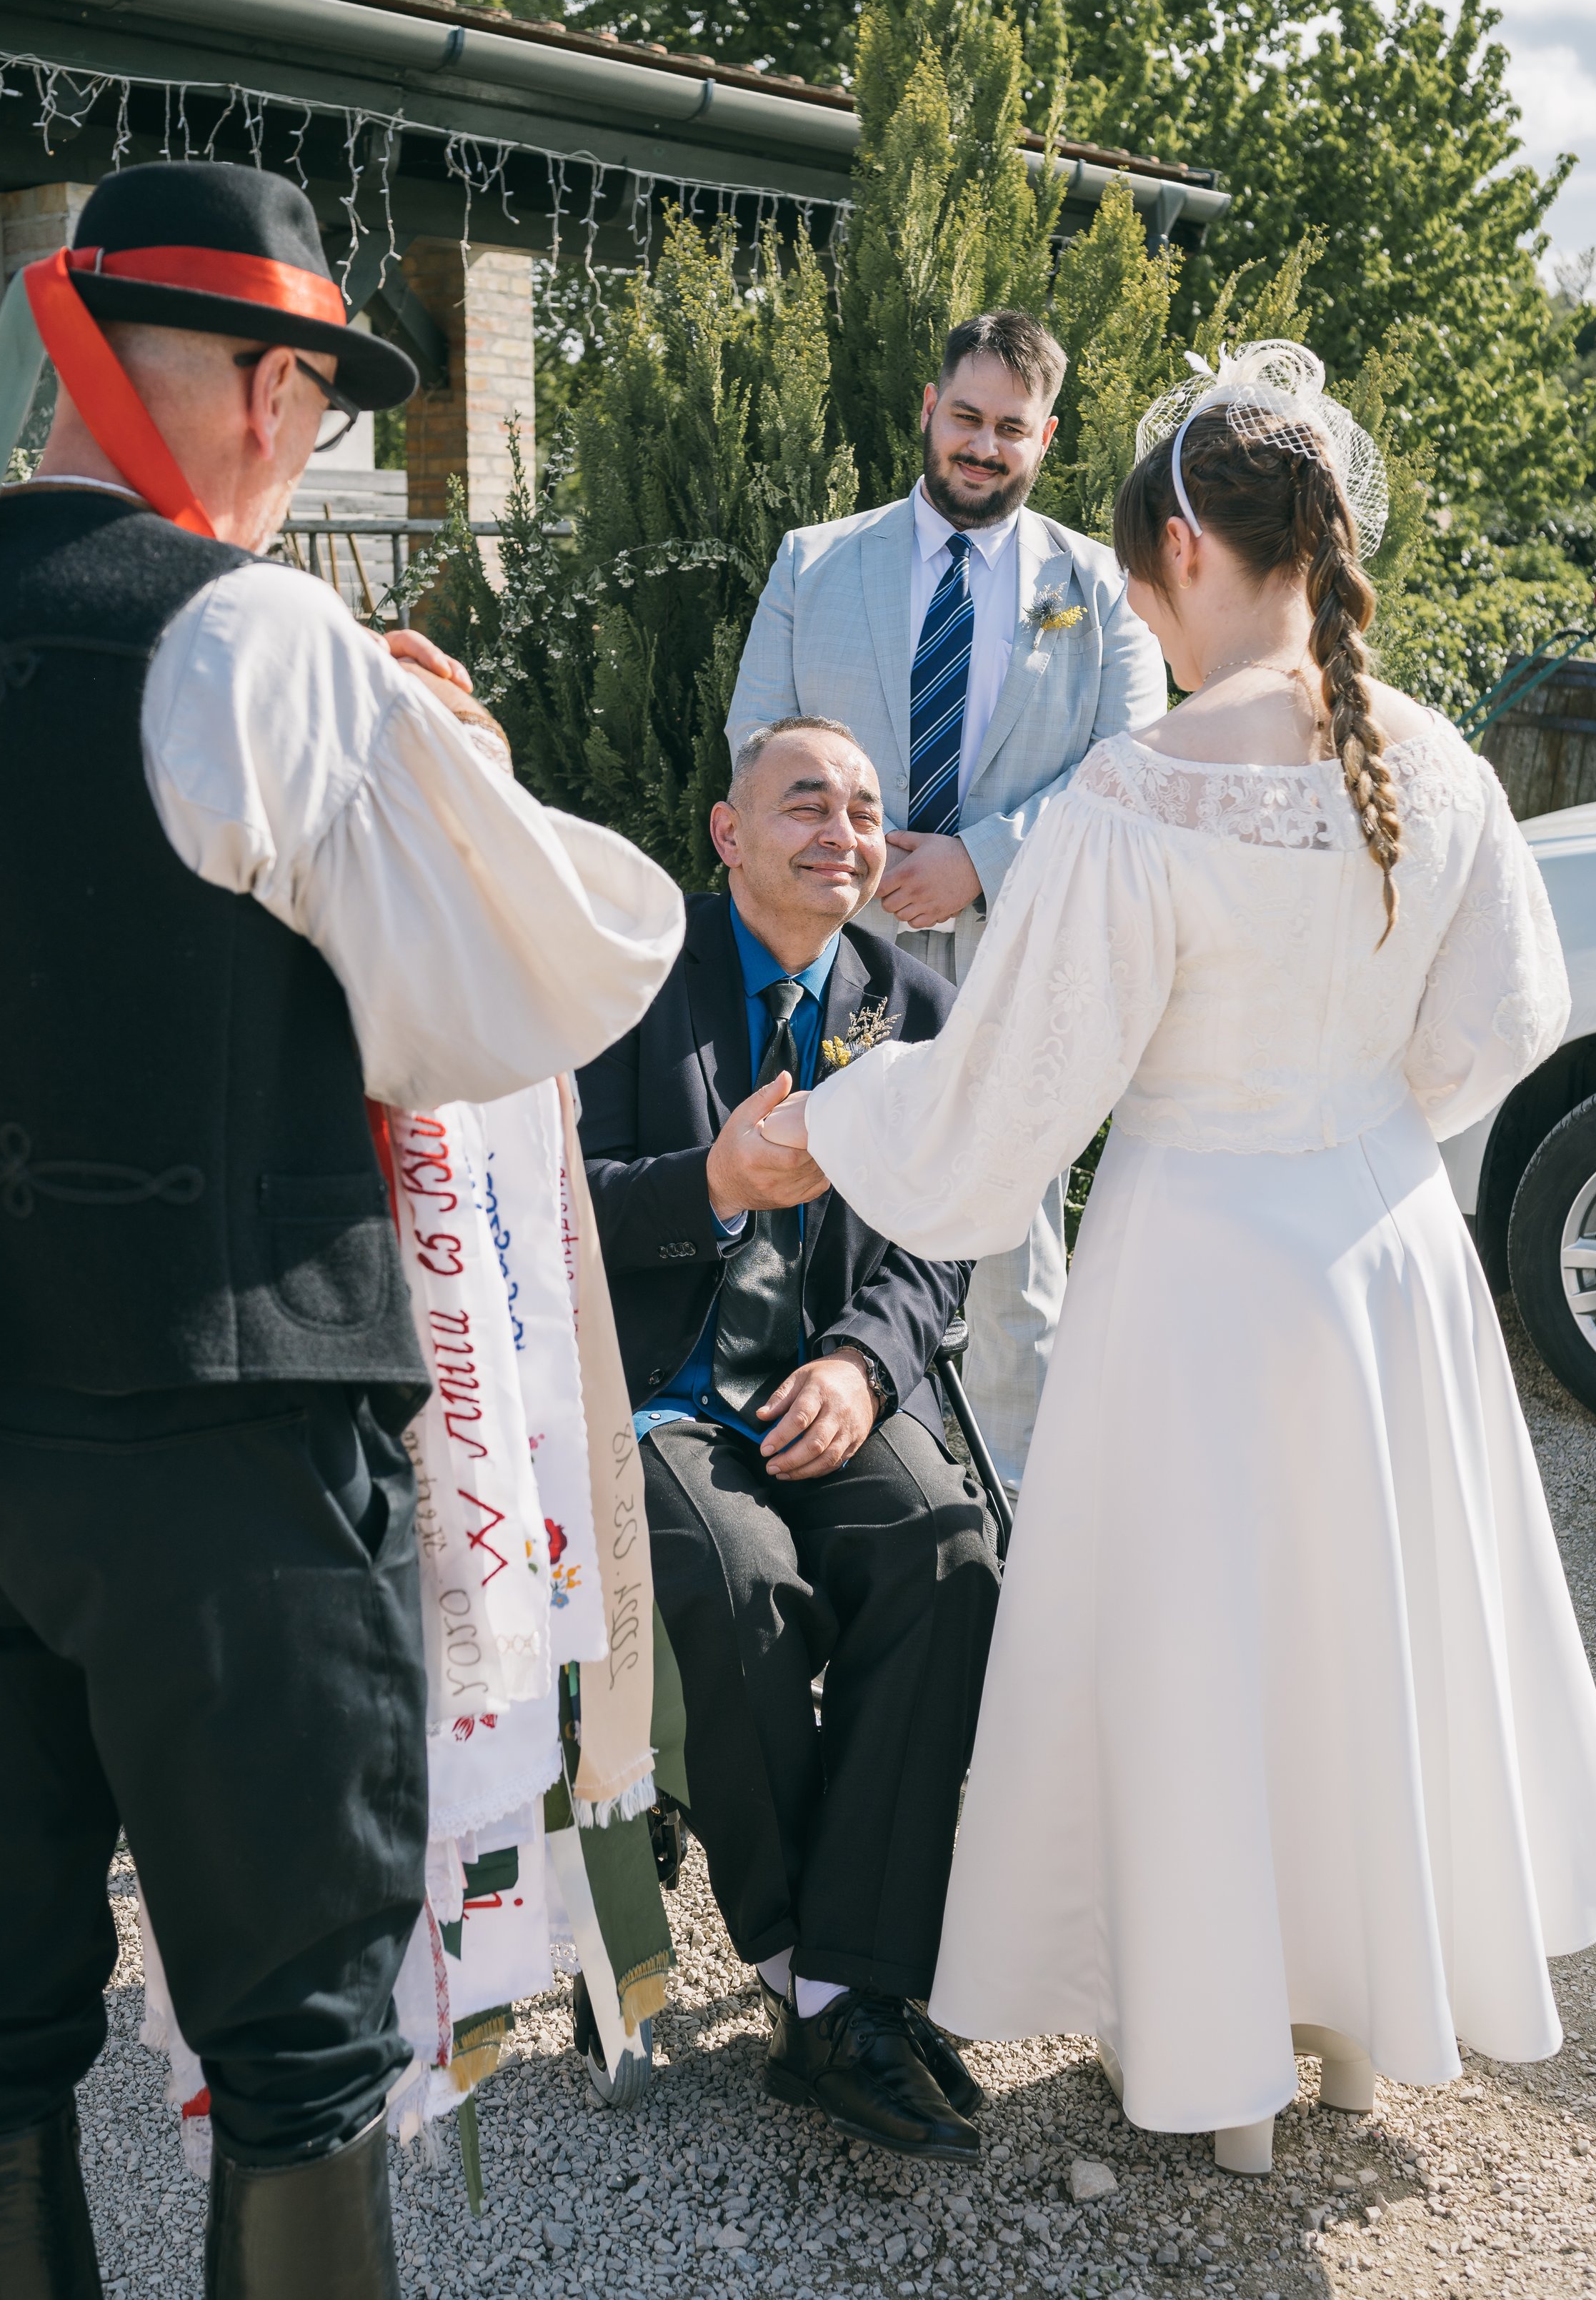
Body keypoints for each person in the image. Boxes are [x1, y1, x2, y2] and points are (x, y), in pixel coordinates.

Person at [0, 161, 683, 2300]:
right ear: (264, 386)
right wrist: (457, 749)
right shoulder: (255, 635)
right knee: (303, 2041)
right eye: (321, 408)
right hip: (216, 1451)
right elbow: (538, 972)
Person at [768, 345, 1596, 2174]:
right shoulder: (1440, 761)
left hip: (1197, 1265)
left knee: (1206, 1645)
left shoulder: (1139, 789)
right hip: (1384, 1246)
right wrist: (1350, 1129)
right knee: (1349, 1632)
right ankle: (1344, 2029)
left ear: (1180, 542)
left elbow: (1009, 1100)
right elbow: (1501, 1023)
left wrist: (826, 1125)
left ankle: (1216, 2062)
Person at [577, 715, 1000, 2163]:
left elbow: (942, 1239)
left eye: (867, 810)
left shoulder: (910, 1001)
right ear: (725, 832)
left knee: (948, 1552)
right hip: (661, 1388)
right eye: (803, 801)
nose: (843, 830)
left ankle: (837, 1983)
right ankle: (831, 1978)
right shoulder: (635, 979)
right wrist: (708, 1175)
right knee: (733, 1571)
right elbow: (556, 1201)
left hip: (820, 1385)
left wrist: (865, 1362)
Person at [727, 310, 1166, 1490]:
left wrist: (983, 858)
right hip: (840, 951)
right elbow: (754, 736)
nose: (982, 446)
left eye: (1010, 430)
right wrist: (849, 850)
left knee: (1013, 1240)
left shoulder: (1099, 592)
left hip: (1021, 954)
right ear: (930, 407)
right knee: (826, 1204)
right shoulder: (815, 563)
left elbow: (1135, 770)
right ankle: (813, 1467)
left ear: (1046, 438)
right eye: (966, 417)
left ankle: (1013, 1506)